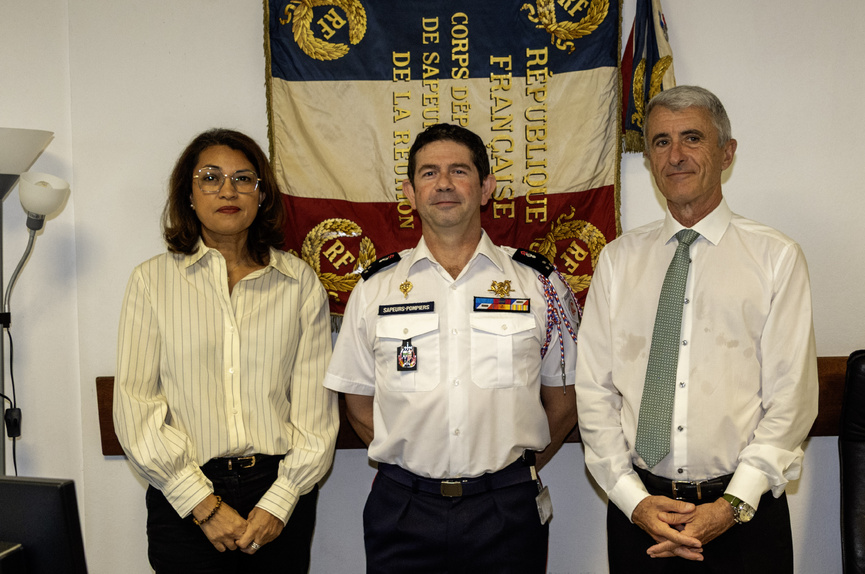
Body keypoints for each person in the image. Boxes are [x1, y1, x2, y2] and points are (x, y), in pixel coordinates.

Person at [575, 85, 818, 573]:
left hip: (745, 514)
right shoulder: (619, 260)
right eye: (661, 142)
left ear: (726, 153)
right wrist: (633, 500)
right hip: (641, 518)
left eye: (692, 138)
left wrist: (731, 506)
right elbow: (594, 392)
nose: (676, 155)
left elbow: (792, 399)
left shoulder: (776, 257)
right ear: (648, 159)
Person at [323, 123, 580, 573]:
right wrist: (411, 464)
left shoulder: (539, 282)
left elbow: (564, 398)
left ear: (486, 188)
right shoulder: (375, 288)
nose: (443, 183)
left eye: (459, 171)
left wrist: (511, 474)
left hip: (506, 510)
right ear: (409, 191)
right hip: (402, 509)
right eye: (429, 173)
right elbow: (358, 401)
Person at [113, 128, 338, 573]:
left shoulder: (299, 283)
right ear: (189, 195)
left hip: (278, 494)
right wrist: (202, 504)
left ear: (262, 195)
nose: (228, 190)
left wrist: (281, 499)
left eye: (244, 178)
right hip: (183, 494)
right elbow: (136, 407)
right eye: (210, 177)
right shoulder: (151, 282)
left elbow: (316, 412)